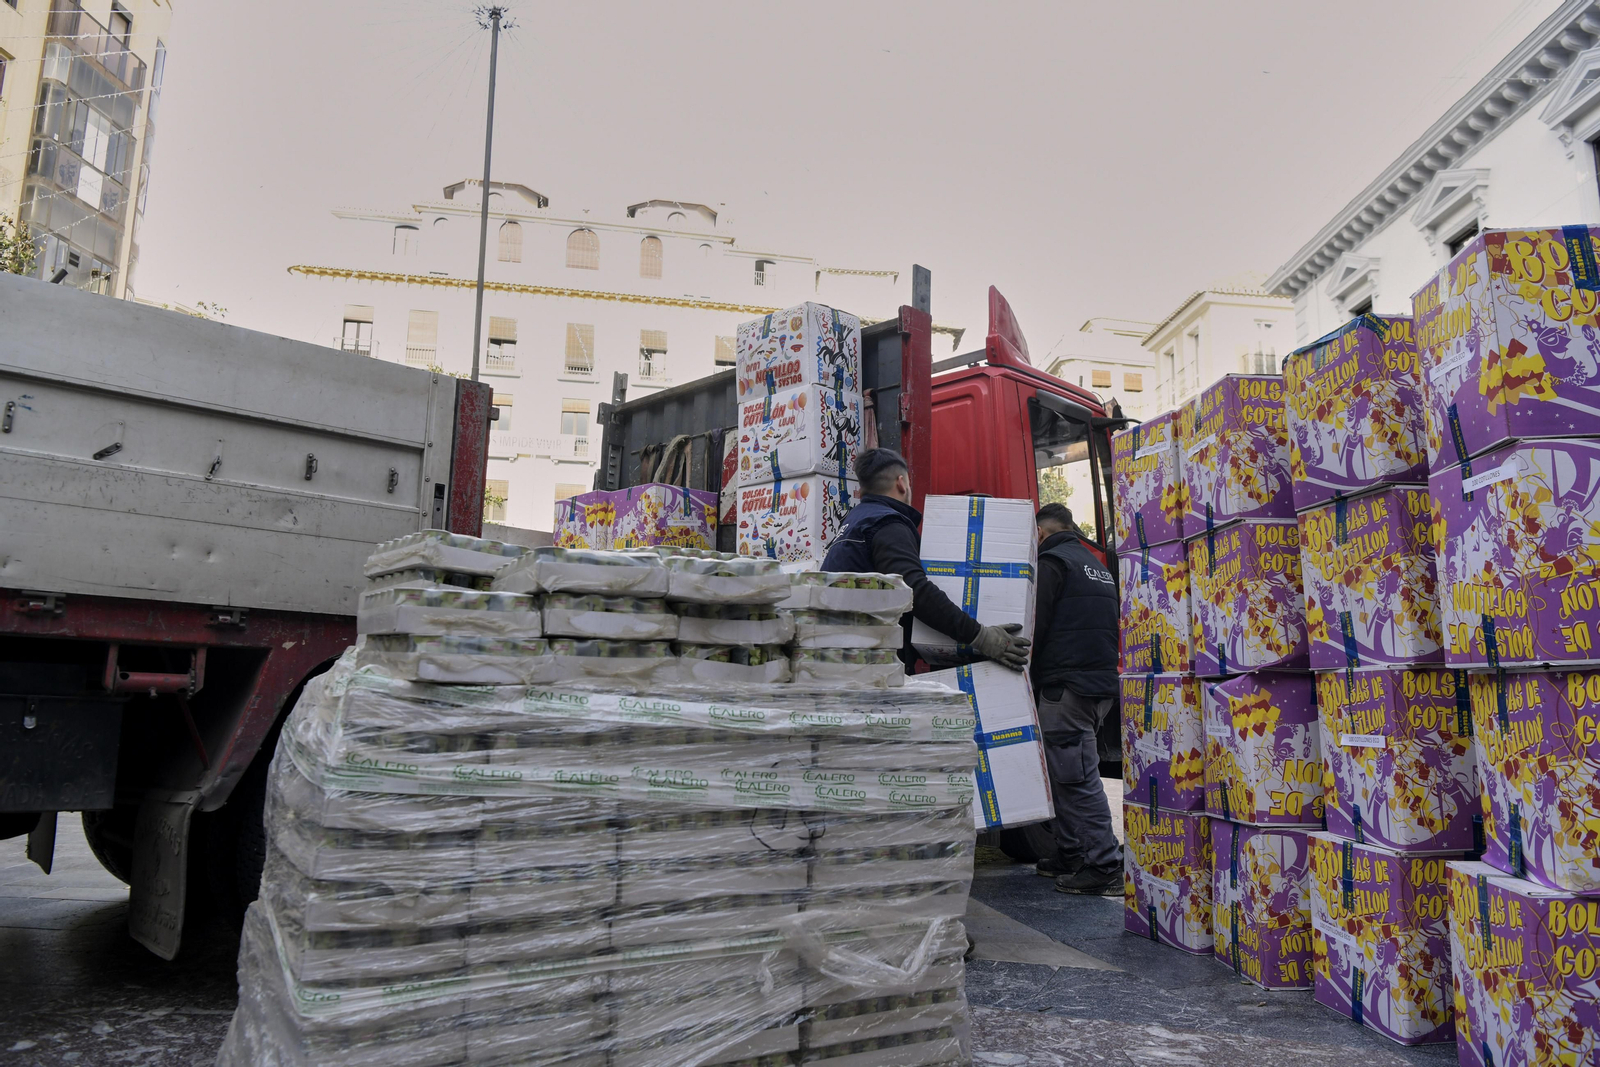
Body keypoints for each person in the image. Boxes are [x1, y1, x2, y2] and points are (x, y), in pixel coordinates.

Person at [821, 448, 1031, 671]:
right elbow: (913, 590)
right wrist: (981, 636)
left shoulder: (852, 523)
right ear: (901, 483)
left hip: (837, 657)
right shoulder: (887, 524)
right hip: (866, 668)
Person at [1029, 502, 1123, 895]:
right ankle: (1069, 853)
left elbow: (1036, 626)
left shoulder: (1053, 563)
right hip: (1098, 687)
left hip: (1065, 687)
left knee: (1077, 778)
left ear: (1043, 535)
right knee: (1062, 775)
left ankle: (1104, 866)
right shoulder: (1095, 566)